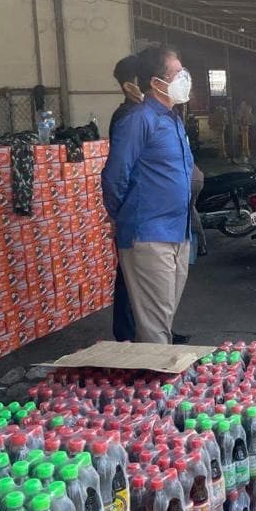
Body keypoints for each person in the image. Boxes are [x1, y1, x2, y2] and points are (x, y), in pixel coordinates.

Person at [102, 46, 194, 344]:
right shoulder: (139, 119)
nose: (184, 78)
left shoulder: (172, 118)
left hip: (177, 231)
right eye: (177, 73)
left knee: (162, 317)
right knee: (154, 327)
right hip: (149, 233)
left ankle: (154, 368)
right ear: (156, 82)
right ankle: (159, 374)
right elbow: (115, 175)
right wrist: (123, 215)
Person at [107, 55, 143, 343]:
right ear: (132, 84)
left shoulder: (148, 114)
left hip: (149, 211)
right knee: (129, 277)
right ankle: (127, 335)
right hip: (136, 210)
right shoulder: (128, 117)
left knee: (148, 279)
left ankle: (149, 329)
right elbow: (116, 173)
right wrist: (120, 211)